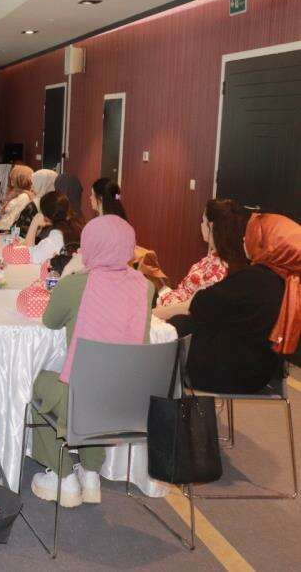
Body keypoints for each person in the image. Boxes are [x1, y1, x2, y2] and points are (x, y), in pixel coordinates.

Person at [32, 215, 154, 508]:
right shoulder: (145, 286)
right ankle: (90, 474)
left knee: (35, 382)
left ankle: (62, 476)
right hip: (127, 401)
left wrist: (70, 272)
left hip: (81, 399)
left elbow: (50, 321)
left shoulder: (75, 285)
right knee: (99, 384)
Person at [170, 213, 299, 393]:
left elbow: (200, 305)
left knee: (176, 326)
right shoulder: (289, 284)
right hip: (260, 375)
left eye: (250, 234)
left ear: (265, 243)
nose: (244, 239)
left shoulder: (255, 278)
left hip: (227, 373)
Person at [155, 199, 250, 317]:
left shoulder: (220, 270)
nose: (200, 225)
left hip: (173, 317)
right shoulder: (218, 257)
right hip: (169, 304)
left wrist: (154, 314)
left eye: (203, 221)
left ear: (211, 225)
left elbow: (190, 307)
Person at [24, 191, 83, 267]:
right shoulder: (78, 225)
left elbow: (29, 255)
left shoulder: (56, 237)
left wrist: (34, 223)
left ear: (46, 216)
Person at [0, 164, 37, 231]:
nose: (11, 180)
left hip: (5, 230)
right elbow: (1, 212)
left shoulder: (23, 197)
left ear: (21, 179)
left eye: (13, 178)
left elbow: (10, 221)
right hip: (0, 225)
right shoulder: (15, 192)